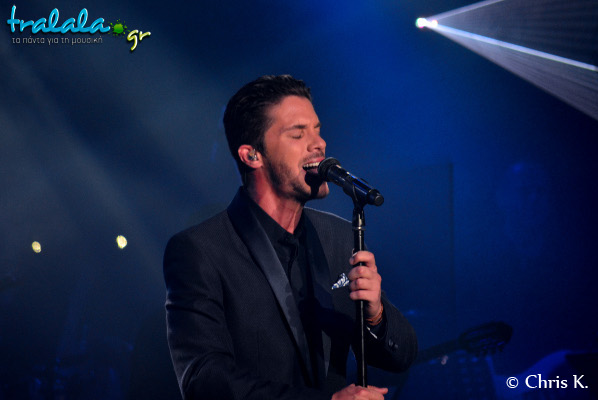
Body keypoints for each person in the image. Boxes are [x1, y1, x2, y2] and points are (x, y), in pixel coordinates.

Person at [163, 75, 417, 400]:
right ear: (252, 155)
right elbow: (203, 379)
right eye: (298, 134)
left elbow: (401, 357)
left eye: (317, 130)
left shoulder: (339, 237)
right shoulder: (201, 249)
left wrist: (376, 314)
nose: (319, 143)